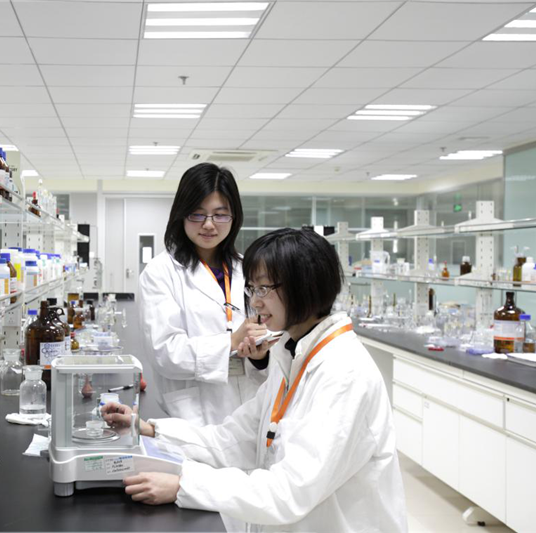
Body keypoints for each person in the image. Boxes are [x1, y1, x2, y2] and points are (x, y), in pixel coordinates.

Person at [106, 228, 407, 532]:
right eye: (251, 289)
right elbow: (232, 439)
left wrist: (185, 485)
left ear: (305, 285)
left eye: (264, 289)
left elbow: (290, 491)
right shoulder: (291, 356)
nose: (255, 302)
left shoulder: (343, 372)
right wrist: (151, 430)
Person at [139, 163, 269, 426]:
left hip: (252, 403)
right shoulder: (160, 272)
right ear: (181, 214)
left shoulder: (247, 268)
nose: (209, 225)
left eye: (220, 215)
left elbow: (270, 328)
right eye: (197, 214)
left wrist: (260, 355)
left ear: (234, 217)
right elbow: (165, 352)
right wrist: (230, 342)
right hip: (195, 411)